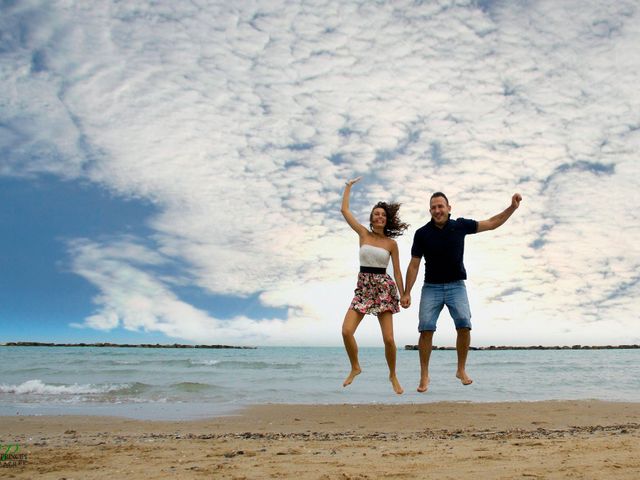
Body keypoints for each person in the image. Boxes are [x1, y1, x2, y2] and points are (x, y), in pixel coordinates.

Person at [401, 191, 522, 392]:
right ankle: (424, 375)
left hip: (456, 285)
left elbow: (492, 223)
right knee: (425, 328)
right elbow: (414, 265)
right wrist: (406, 292)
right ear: (430, 210)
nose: (437, 210)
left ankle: (461, 369)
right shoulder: (422, 233)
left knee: (464, 324)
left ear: (449, 208)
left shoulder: (460, 225)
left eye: (441, 206)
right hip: (431, 287)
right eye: (433, 207)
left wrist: (512, 208)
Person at [341, 176, 409, 395]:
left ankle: (393, 374)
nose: (379, 216)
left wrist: (405, 292)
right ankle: (355, 366)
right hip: (364, 287)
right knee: (346, 331)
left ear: (386, 220)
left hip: (384, 288)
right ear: (371, 219)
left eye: (383, 214)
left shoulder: (392, 244)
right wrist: (348, 188)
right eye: (376, 214)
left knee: (389, 339)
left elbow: (397, 270)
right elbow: (345, 211)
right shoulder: (363, 234)